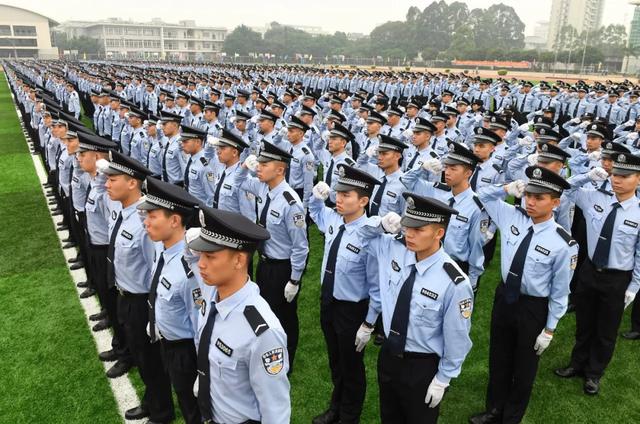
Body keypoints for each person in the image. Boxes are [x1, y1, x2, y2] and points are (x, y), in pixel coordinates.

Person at [470, 166, 577, 424]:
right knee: (499, 357)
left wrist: (550, 328)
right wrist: (505, 188)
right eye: (528, 194)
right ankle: (494, 409)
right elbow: (480, 196)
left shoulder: (564, 243)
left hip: (533, 307)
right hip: (505, 297)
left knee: (524, 366)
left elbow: (560, 291)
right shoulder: (511, 216)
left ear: (555, 202)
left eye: (539, 198)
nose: (530, 201)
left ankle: (512, 417)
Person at [357, 194, 474, 424]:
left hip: (422, 367)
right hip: (389, 356)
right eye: (408, 226)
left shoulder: (455, 283)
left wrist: (443, 378)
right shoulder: (394, 248)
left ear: (439, 233)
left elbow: (457, 338)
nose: (409, 234)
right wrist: (380, 224)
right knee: (389, 416)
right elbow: (359, 233)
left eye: (419, 229)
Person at [186, 207, 291, 423]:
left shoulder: (262, 333)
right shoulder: (211, 289)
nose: (201, 264)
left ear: (239, 260)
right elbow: (189, 257)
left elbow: (276, 411)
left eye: (210, 256)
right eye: (201, 254)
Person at [554, 152, 640, 395]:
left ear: (639, 179)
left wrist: (634, 286)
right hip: (590, 271)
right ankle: (576, 363)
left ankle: (594, 373)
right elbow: (566, 189)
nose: (617, 180)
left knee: (606, 330)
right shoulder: (595, 198)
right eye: (615, 174)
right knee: (584, 322)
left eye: (625, 176)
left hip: (617, 278)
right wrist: (585, 176)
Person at [101, 151, 175, 422]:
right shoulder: (123, 212)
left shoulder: (146, 222)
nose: (107, 184)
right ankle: (152, 400)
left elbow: (156, 268)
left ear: (132, 182)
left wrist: (152, 314)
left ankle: (161, 411)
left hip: (141, 301)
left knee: (151, 361)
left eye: (113, 179)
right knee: (142, 360)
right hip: (125, 295)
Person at [309, 165, 381, 424]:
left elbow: (376, 285)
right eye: (338, 193)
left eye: (346, 195)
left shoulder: (370, 235)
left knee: (352, 367)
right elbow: (315, 211)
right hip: (329, 302)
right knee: (336, 361)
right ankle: (335, 407)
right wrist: (316, 196)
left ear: (363, 201)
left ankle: (349, 416)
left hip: (352, 310)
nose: (338, 198)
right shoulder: (333, 219)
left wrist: (369, 323)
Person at [238, 141, 309, 372]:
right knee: (267, 311)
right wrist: (243, 167)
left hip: (283, 268)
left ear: (280, 169)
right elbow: (239, 183)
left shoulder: (291, 203)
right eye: (258, 162)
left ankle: (286, 361)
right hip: (265, 263)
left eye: (264, 163)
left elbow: (301, 247)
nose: (258, 167)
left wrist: (294, 280)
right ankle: (270, 352)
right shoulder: (263, 188)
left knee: (284, 316)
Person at [137, 177, 202, 424]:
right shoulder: (163, 250)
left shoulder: (190, 270)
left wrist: (201, 372)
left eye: (153, 216)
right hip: (168, 342)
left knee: (193, 409)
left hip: (186, 352)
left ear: (174, 220)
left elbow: (200, 324)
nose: (146, 222)